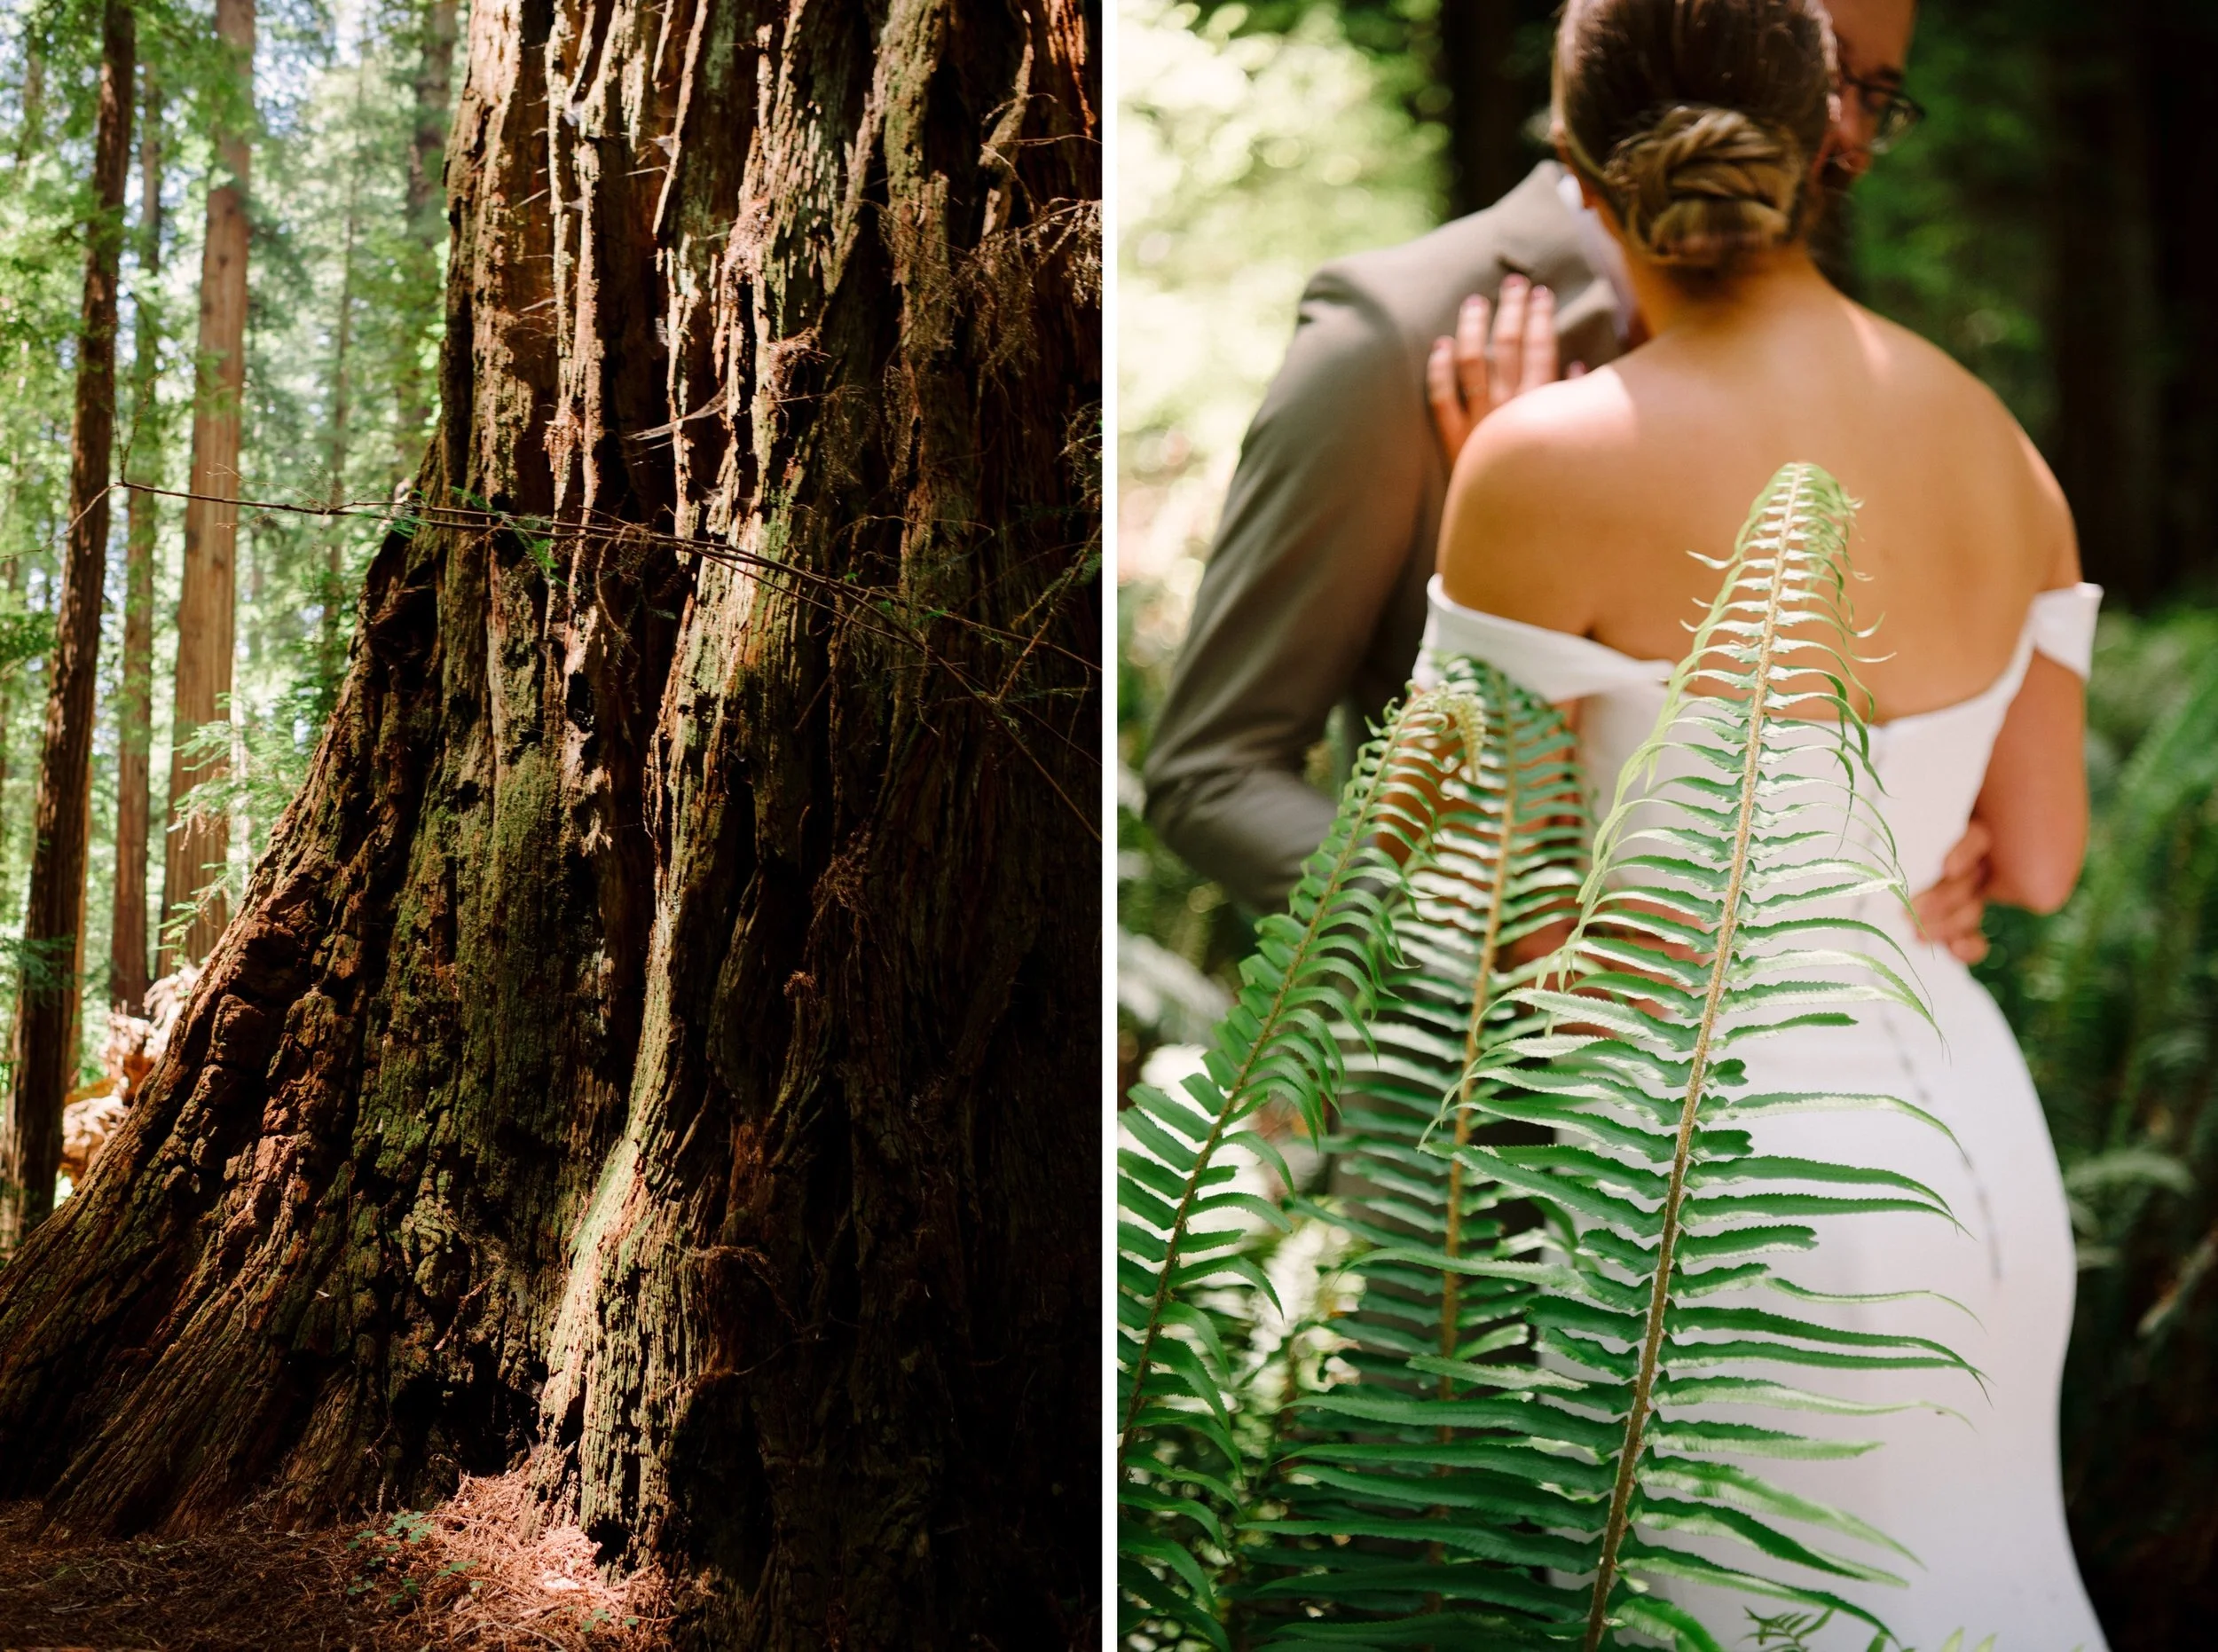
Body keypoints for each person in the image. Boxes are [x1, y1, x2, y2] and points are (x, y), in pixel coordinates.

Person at [1426, 0, 2106, 1642]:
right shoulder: (2003, 450)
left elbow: (1459, 906)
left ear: (1584, 182)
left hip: (1701, 1204)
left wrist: (1486, 519)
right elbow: (2046, 857)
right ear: (1821, 146)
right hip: (1970, 1160)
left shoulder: (1538, 463)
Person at [1138, 0, 1999, 959]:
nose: (1846, 130)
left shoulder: (1864, 373)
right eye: (1829, 72)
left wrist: (1891, 875)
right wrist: (1497, 958)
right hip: (1463, 1100)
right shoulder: (1395, 337)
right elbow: (1211, 773)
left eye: (1876, 94)